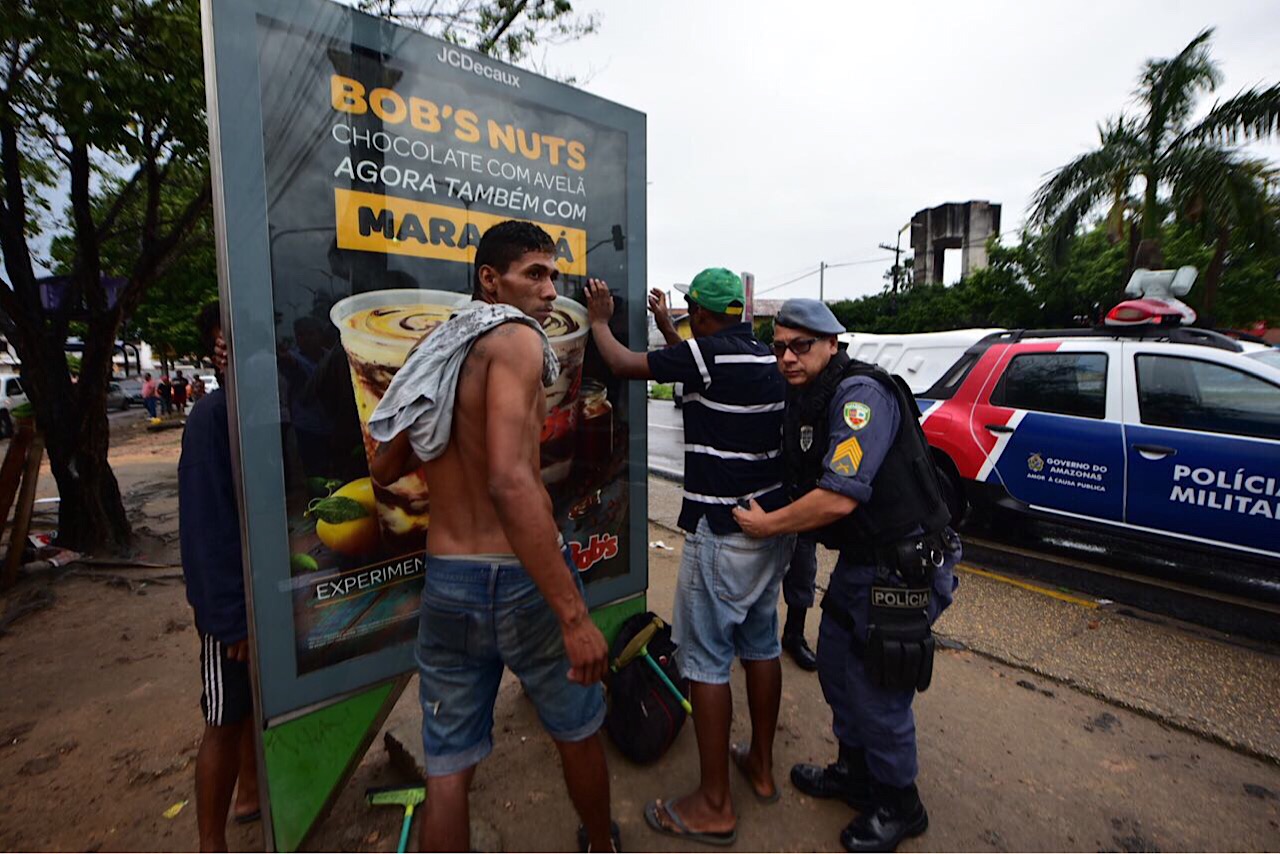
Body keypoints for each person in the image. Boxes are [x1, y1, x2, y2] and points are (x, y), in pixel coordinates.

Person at [365, 220, 616, 853]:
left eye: (553, 275)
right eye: (535, 273)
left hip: (449, 578)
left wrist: (452, 445)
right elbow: (510, 481)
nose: (549, 289)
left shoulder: (439, 348)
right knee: (578, 727)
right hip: (520, 577)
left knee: (448, 769)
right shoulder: (517, 342)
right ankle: (602, 844)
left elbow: (384, 466)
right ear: (489, 280)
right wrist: (572, 614)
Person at [732, 299, 960, 853]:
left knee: (879, 688)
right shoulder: (808, 394)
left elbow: (837, 497)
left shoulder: (860, 396)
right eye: (779, 345)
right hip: (864, 563)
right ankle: (856, 774)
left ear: (832, 343)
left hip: (904, 565)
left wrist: (768, 529)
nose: (787, 356)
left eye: (800, 345)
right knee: (836, 665)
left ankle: (900, 803)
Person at [586, 268, 794, 846]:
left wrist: (600, 322)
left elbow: (627, 365)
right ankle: (760, 765)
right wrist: (663, 327)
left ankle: (714, 804)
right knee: (760, 647)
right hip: (767, 532)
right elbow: (700, 369)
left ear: (700, 315)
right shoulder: (759, 357)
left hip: (721, 532)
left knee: (703, 664)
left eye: (685, 315)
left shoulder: (706, 356)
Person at [178, 301, 260, 851]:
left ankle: (250, 794)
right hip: (230, 609)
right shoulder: (211, 417)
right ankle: (212, 842)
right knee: (225, 719)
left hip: (262, 600)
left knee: (254, 707)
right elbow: (204, 529)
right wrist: (229, 620)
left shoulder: (263, 405)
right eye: (222, 342)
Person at [782, 536, 819, 670]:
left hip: (803, 524)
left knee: (803, 568)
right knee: (760, 575)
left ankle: (794, 635)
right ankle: (754, 639)